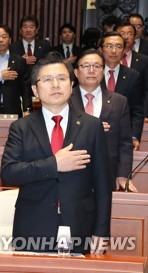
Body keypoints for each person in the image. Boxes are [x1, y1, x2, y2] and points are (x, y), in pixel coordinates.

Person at [0, 52, 112, 254]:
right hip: (33, 226)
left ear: (72, 85)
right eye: (47, 79)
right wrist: (54, 164)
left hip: (80, 224)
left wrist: (102, 231)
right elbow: (9, 173)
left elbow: (103, 184)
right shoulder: (21, 127)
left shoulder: (91, 126)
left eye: (61, 79)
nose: (55, 85)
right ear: (35, 89)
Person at [69, 49, 136, 192]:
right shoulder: (65, 100)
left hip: (107, 174)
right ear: (76, 72)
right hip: (71, 172)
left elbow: (125, 143)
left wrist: (123, 174)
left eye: (97, 66)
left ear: (103, 71)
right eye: (86, 66)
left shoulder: (119, 101)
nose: (91, 70)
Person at [98, 31, 144, 151]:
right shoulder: (92, 73)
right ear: (101, 49)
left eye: (118, 47)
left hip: (121, 136)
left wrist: (134, 136)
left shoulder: (133, 75)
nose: (114, 51)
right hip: (95, 134)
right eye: (109, 46)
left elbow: (137, 110)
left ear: (124, 51)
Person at [116, 21, 148, 120]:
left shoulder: (143, 60)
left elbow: (146, 90)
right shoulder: (108, 58)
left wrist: (145, 114)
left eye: (130, 34)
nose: (126, 37)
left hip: (135, 113)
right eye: (122, 33)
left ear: (134, 37)